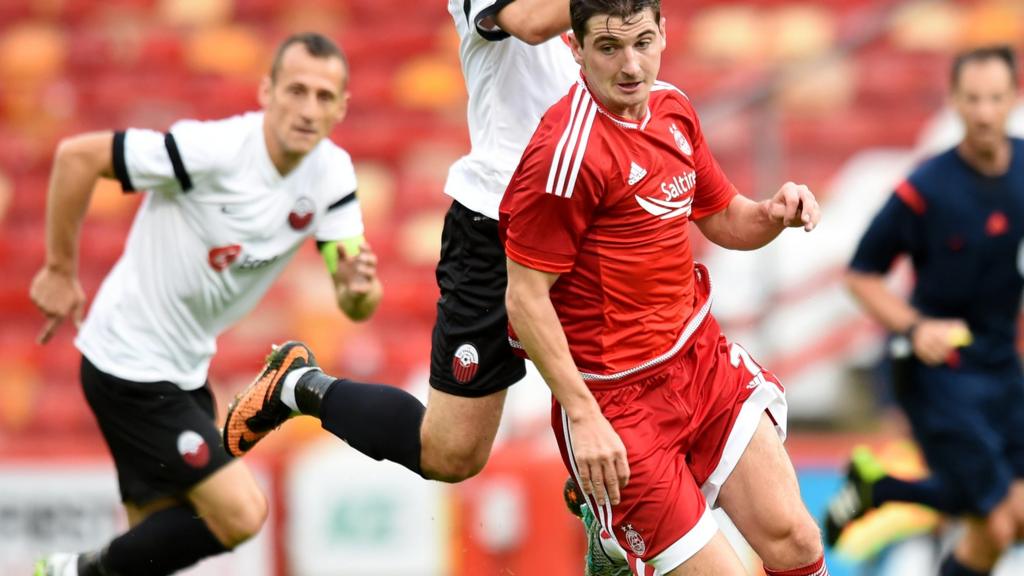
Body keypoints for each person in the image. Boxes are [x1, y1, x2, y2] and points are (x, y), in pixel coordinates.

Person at [29, 32, 381, 576]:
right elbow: (78, 157)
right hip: (128, 365)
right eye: (296, 91)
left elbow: (354, 297)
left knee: (152, 544)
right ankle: (70, 572)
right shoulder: (210, 151)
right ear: (267, 91)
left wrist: (357, 288)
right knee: (242, 513)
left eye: (324, 96)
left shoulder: (331, 173)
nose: (308, 109)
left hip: (184, 371)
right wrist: (58, 269)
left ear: (342, 107)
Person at [498, 0, 831, 574]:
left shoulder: (673, 110)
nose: (630, 65)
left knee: (796, 541)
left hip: (699, 363)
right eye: (608, 48)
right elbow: (523, 298)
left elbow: (724, 215)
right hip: (618, 403)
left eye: (643, 42)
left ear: (664, 35)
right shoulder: (565, 154)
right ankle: (611, 536)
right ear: (575, 49)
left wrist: (774, 212)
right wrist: (583, 415)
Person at [824, 45, 1024, 576]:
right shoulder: (927, 188)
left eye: (995, 98)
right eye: (973, 99)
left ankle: (880, 487)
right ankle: (882, 487)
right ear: (955, 102)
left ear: (1013, 99)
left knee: (1007, 524)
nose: (984, 112)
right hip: (939, 371)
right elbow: (860, 273)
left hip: (1001, 365)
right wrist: (916, 328)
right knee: (997, 518)